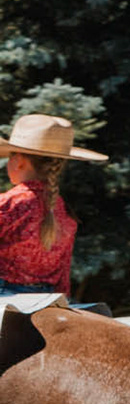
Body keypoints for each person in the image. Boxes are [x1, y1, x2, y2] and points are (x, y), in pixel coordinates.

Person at [0, 114, 108, 304]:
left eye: (9, 158)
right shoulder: (63, 209)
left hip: (5, 296)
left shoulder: (10, 203)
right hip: (47, 299)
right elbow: (63, 275)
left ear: (19, 161)